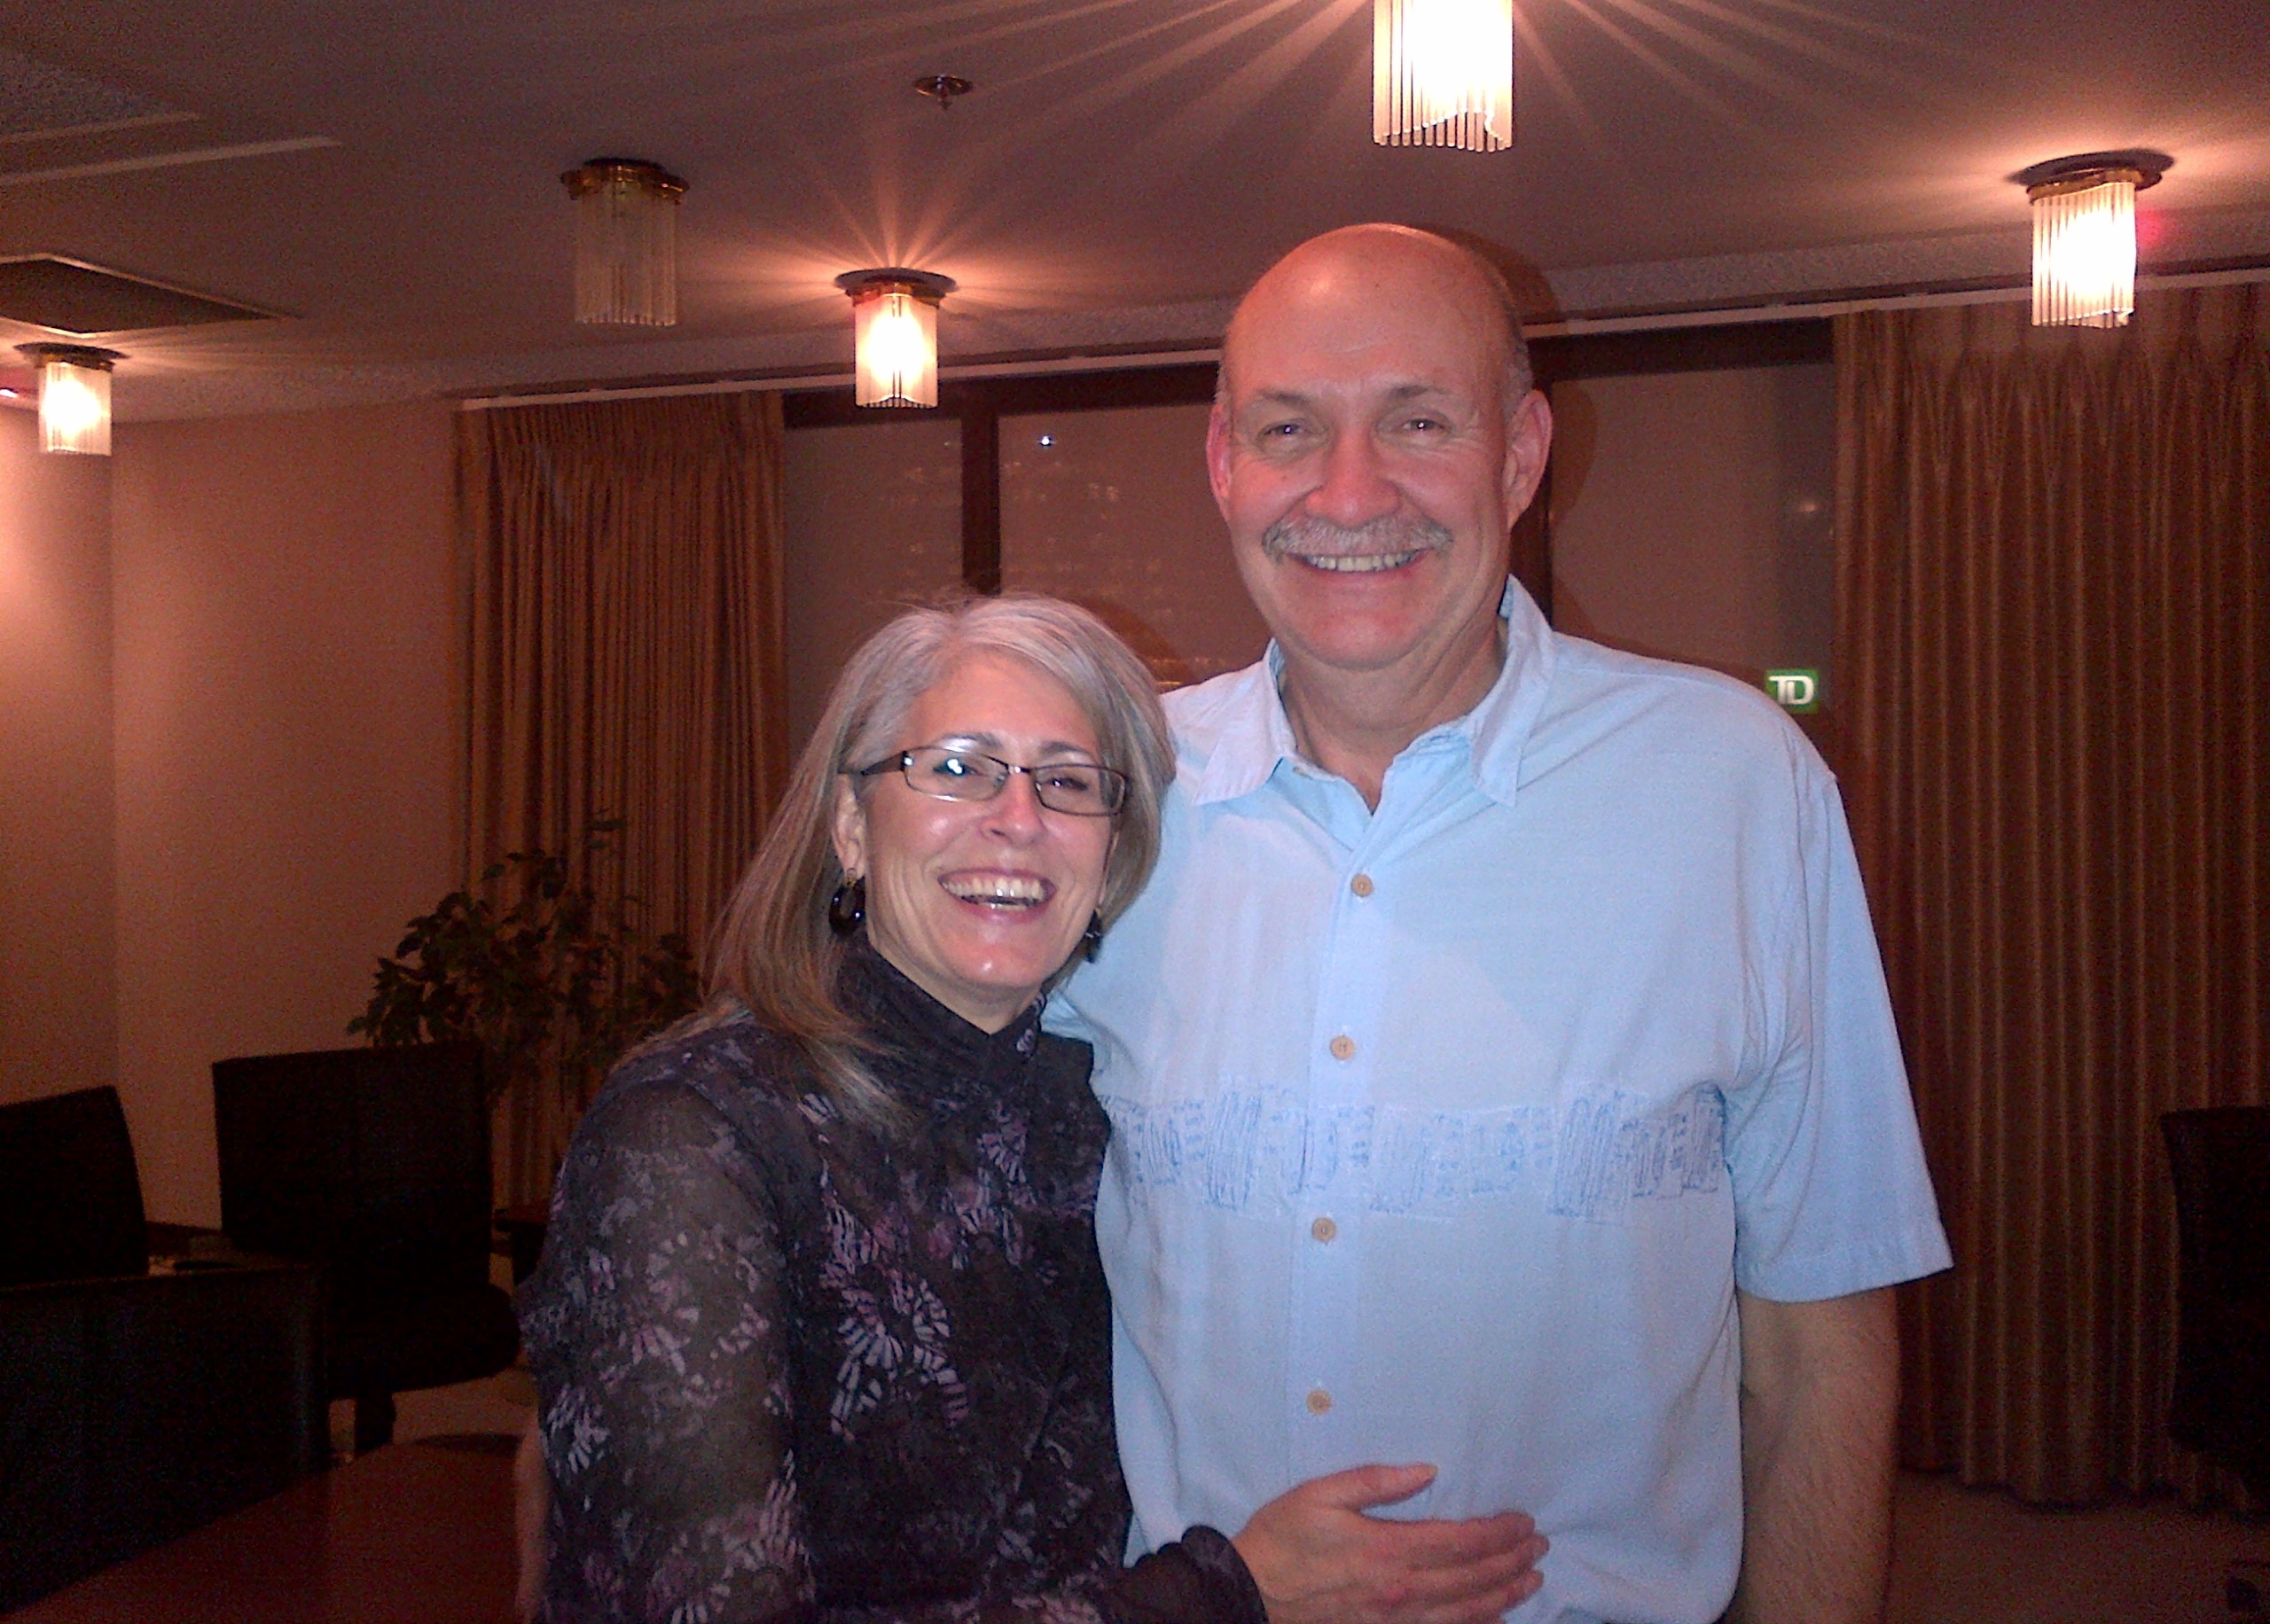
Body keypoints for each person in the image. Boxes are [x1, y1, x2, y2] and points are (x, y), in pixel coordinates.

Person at [1052, 225, 1953, 1624]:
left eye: (1419, 422)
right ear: (1225, 462)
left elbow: (1819, 1333)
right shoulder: (1099, 802)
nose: (1351, 493)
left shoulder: (1734, 786)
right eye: (1291, 429)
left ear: (1523, 456)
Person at [514, 595, 1548, 1624]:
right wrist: (1224, 1594)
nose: (1018, 819)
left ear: (1112, 857)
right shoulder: (694, 1133)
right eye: (958, 767)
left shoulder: (1104, 1111)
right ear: (850, 827)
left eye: (1066, 782)